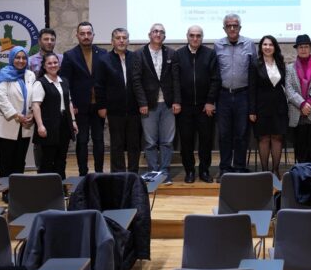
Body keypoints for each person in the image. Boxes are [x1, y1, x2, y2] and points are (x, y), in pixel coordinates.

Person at [132, 23, 181, 184]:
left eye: (161, 32)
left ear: (164, 36)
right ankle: (153, 171)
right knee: (150, 142)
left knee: (167, 141)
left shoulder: (171, 53)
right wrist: (142, 102)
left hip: (168, 105)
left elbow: (176, 79)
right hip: (148, 105)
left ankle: (165, 172)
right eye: (155, 31)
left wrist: (177, 101)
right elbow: (136, 81)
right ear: (149, 35)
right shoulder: (139, 54)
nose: (158, 34)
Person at [175, 25, 220, 183]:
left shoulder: (210, 54)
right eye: (192, 35)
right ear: (187, 36)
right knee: (186, 141)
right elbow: (175, 80)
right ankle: (189, 171)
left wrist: (210, 101)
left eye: (198, 36)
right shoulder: (178, 54)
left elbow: (215, 79)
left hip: (204, 106)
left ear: (202, 37)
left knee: (206, 140)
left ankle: (204, 170)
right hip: (185, 107)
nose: (195, 38)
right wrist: (177, 101)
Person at [61, 22, 107, 176]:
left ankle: (99, 173)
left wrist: (104, 104)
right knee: (82, 141)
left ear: (93, 35)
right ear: (77, 36)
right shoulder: (69, 55)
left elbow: (106, 81)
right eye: (82, 34)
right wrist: (71, 104)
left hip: (98, 106)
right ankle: (83, 174)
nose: (86, 36)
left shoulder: (103, 53)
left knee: (99, 140)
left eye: (88, 33)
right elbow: (65, 83)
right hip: (79, 107)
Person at [94, 28, 142, 173]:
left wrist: (142, 103)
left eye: (124, 38)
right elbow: (99, 85)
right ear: (112, 41)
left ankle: (133, 173)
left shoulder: (135, 57)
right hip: (114, 109)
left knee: (134, 144)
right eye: (118, 38)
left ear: (128, 41)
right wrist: (101, 106)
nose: (121, 40)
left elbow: (140, 81)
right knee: (117, 144)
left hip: (134, 109)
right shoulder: (104, 60)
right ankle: (118, 174)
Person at [214, 14, 255, 179]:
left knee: (241, 133)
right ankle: (225, 167)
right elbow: (214, 72)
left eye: (235, 25)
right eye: (229, 26)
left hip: (243, 95)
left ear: (240, 27)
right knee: (224, 134)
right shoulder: (217, 45)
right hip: (223, 95)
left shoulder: (249, 44)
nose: (232, 28)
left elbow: (254, 71)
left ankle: (239, 167)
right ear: (224, 28)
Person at [0, 46, 36, 178]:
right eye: (17, 57)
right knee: (6, 160)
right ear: (11, 58)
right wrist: (16, 115)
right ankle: (5, 187)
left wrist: (32, 114)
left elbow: (35, 96)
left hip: (26, 124)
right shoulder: (3, 74)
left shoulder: (30, 75)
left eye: (24, 58)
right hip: (8, 123)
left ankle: (18, 186)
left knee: (20, 160)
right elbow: (1, 98)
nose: (21, 61)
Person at [31, 52, 78, 178]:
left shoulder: (64, 81)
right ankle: (47, 187)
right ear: (44, 66)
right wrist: (40, 125)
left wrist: (73, 121)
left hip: (64, 124)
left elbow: (69, 102)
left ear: (59, 64)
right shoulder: (40, 83)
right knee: (48, 159)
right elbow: (36, 106)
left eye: (55, 62)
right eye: (49, 63)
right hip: (48, 126)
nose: (53, 65)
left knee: (61, 158)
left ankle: (60, 185)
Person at [249, 35, 289, 178]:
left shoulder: (280, 62)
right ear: (261, 47)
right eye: (265, 44)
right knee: (264, 138)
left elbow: (285, 84)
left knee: (277, 137)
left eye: (270, 44)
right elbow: (252, 88)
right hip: (261, 107)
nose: (267, 47)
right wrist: (252, 110)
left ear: (275, 47)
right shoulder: (255, 64)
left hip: (279, 105)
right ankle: (265, 171)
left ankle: (276, 170)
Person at [285, 34, 311, 163]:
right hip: (297, 111)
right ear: (297, 49)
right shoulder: (289, 68)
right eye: (300, 47)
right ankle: (302, 172)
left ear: (310, 48)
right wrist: (302, 104)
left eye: (306, 47)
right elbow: (289, 89)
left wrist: (309, 101)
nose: (303, 49)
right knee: (300, 147)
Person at [27, 28, 62, 170]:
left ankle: (57, 174)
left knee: (57, 144)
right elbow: (27, 86)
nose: (49, 42)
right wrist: (31, 109)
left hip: (57, 107)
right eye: (46, 39)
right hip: (38, 106)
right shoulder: (30, 61)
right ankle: (41, 173)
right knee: (41, 142)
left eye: (52, 39)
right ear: (39, 41)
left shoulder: (61, 59)